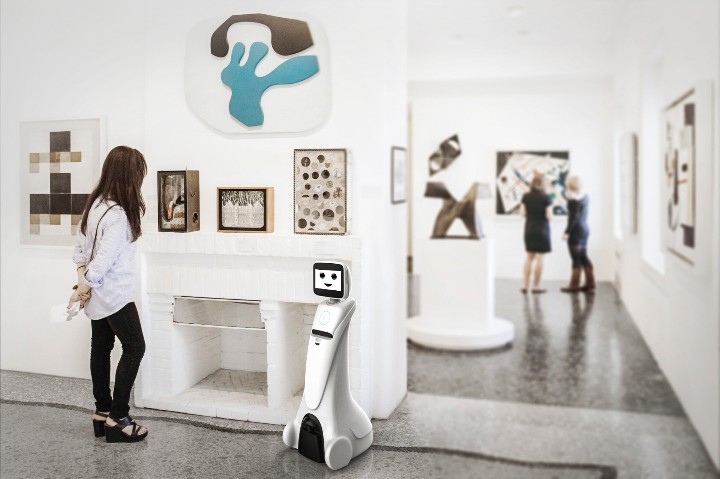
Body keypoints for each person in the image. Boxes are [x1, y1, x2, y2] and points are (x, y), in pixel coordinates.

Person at [68, 146, 149, 443]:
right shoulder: (119, 215)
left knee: (101, 347)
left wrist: (82, 284)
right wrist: (85, 286)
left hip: (97, 293)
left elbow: (80, 251)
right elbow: (103, 262)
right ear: (131, 176)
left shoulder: (95, 204)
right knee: (135, 347)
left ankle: (102, 412)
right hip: (115, 294)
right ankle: (118, 418)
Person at [561, 175, 595, 293]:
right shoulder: (585, 197)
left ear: (570, 186)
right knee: (583, 257)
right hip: (585, 229)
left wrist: (567, 232)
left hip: (576, 231)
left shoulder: (573, 201)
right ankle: (590, 282)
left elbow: (573, 218)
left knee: (576, 259)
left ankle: (574, 284)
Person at [520, 174, 553, 294]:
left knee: (529, 257)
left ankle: (525, 285)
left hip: (529, 229)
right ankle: (536, 286)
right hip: (542, 230)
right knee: (540, 257)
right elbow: (549, 216)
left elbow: (522, 214)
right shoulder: (546, 198)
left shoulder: (526, 196)